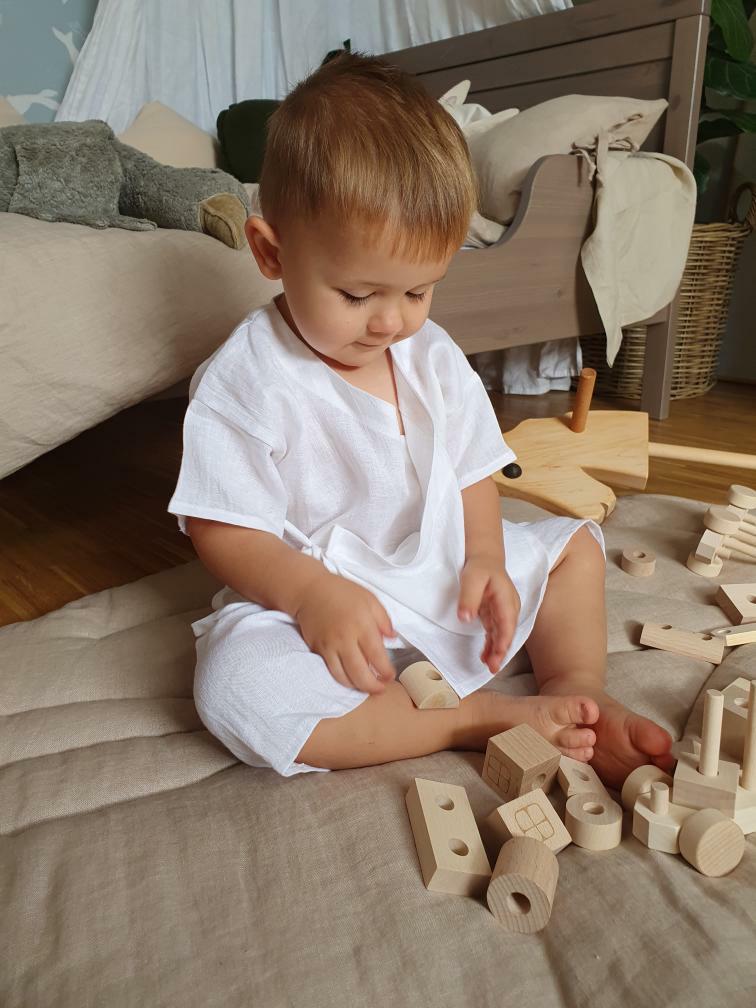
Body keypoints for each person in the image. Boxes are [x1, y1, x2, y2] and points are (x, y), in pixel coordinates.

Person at [167, 52, 674, 789]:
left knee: (574, 550)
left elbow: (471, 467)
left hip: (442, 577)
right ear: (271, 251)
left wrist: (485, 559)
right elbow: (222, 525)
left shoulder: (428, 353)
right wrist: (311, 597)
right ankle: (476, 719)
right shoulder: (244, 379)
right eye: (357, 294)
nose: (390, 322)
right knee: (235, 686)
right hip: (323, 602)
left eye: (419, 291)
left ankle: (577, 688)